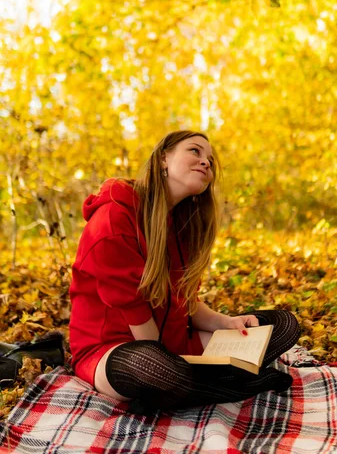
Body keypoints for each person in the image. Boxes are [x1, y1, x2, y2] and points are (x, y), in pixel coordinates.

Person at [69, 130, 300, 414]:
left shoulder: (184, 224)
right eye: (195, 151)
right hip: (116, 351)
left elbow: (185, 301)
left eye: (210, 161)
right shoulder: (115, 217)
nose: (206, 163)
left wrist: (225, 323)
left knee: (284, 325)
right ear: (164, 158)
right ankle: (233, 384)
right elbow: (139, 320)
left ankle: (182, 388)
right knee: (153, 365)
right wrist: (174, 363)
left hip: (176, 343)